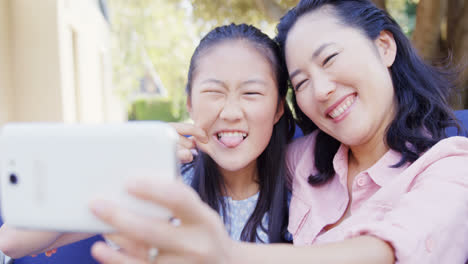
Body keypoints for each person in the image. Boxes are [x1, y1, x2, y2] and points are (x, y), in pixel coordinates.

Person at [88, 0, 468, 263]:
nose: (320, 90)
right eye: (301, 82)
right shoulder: (306, 160)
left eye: (330, 58)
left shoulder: (451, 168)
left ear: (384, 46)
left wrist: (225, 254)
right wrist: (148, 156)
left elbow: (383, 251)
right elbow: (234, 154)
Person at [0, 23, 294, 259]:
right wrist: (128, 161)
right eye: (214, 92)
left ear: (279, 107)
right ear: (189, 102)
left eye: (251, 93)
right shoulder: (160, 184)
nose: (230, 112)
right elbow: (12, 241)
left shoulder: (305, 193)